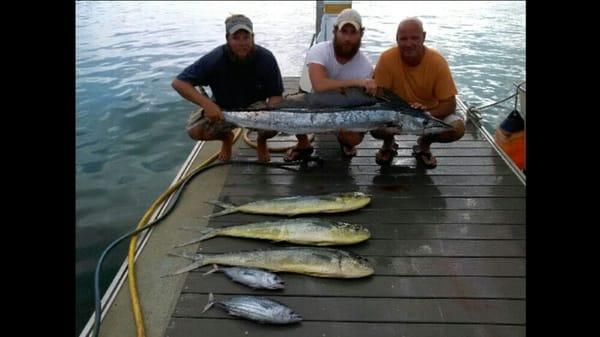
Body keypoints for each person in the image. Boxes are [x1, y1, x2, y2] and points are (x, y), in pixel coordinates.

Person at [172, 14, 284, 162]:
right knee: (195, 131)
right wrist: (207, 104)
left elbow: (276, 94)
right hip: (223, 108)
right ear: (227, 38)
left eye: (246, 37)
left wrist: (269, 114)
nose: (242, 43)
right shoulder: (215, 58)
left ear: (253, 37)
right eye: (236, 38)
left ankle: (261, 141)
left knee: (275, 123)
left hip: (256, 108)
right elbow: (179, 83)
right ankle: (226, 138)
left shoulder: (266, 58)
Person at [284, 8, 377, 162]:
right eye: (343, 31)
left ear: (361, 33)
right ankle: (303, 143)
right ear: (335, 31)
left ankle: (345, 143)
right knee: (292, 104)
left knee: (353, 138)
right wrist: (356, 82)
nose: (347, 38)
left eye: (352, 32)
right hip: (316, 102)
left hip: (344, 109)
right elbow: (319, 85)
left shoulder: (365, 65)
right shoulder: (319, 50)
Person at [372, 17, 465, 168]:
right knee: (375, 126)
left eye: (414, 38)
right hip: (397, 114)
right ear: (397, 39)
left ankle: (424, 143)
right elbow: (380, 97)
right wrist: (401, 112)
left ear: (424, 37)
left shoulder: (437, 62)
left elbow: (449, 104)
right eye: (403, 38)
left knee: (457, 128)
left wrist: (426, 112)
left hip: (429, 114)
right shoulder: (386, 58)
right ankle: (388, 143)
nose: (409, 44)